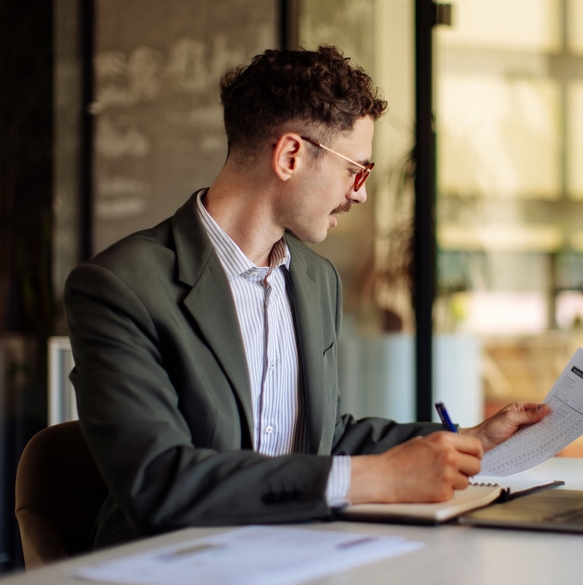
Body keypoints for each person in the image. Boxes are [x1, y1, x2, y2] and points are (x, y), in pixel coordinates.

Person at [64, 46, 549, 549]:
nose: (360, 193)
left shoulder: (316, 279)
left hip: (303, 548)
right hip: (174, 562)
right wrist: (375, 479)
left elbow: (323, 438)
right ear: (291, 155)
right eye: (356, 170)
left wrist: (467, 439)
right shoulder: (120, 286)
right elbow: (157, 482)